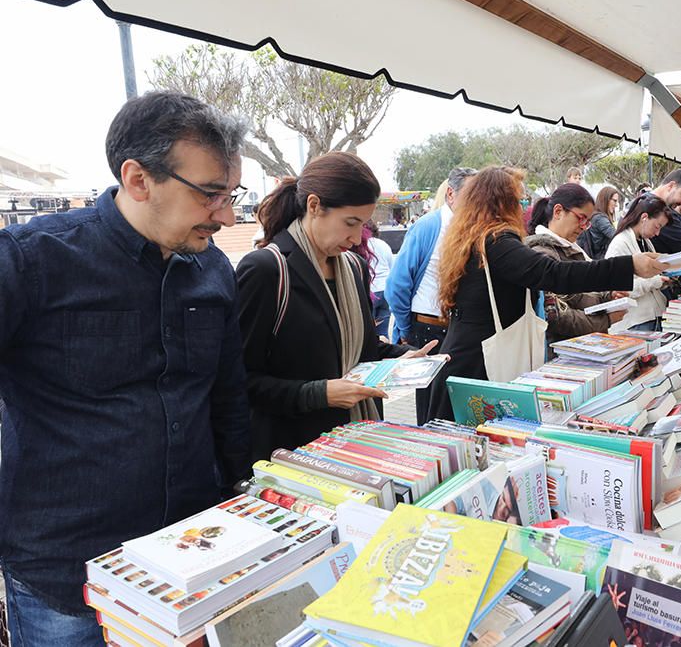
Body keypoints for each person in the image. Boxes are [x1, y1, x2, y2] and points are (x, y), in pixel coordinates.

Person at [0, 91, 252, 645]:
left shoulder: (213, 269)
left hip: (191, 551)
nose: (228, 216)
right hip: (66, 571)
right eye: (211, 194)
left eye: (232, 195)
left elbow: (227, 396)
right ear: (139, 179)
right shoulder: (31, 259)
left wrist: (243, 491)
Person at [236, 151, 433, 460]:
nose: (356, 239)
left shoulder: (353, 267)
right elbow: (241, 380)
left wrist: (405, 358)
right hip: (295, 450)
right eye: (350, 223)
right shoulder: (267, 270)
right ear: (314, 206)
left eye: (364, 226)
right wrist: (318, 393)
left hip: (358, 438)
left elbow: (359, 348)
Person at [424, 167, 663, 421]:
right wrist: (629, 265)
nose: (522, 207)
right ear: (503, 203)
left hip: (466, 358)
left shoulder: (473, 238)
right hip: (478, 367)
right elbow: (555, 274)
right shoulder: (497, 242)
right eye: (519, 200)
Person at [384, 167, 477, 423]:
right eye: (471, 195)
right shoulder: (428, 227)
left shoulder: (472, 231)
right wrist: (406, 329)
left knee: (457, 408)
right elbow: (397, 286)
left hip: (461, 332)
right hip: (428, 330)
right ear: (451, 194)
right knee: (430, 411)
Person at [525, 183, 626, 345]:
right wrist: (605, 320)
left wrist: (608, 296)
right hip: (561, 350)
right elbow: (556, 316)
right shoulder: (543, 253)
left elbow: (578, 295)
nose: (584, 227)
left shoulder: (570, 248)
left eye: (587, 222)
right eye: (581, 218)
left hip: (579, 345)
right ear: (558, 212)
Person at [606, 195, 674, 331]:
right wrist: (657, 281)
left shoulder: (645, 242)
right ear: (644, 218)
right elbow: (620, 289)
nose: (658, 233)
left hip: (651, 316)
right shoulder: (620, 243)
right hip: (635, 322)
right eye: (657, 226)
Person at [364, 220, 394, 338]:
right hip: (385, 290)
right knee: (383, 333)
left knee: (369, 334)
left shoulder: (361, 245)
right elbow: (391, 266)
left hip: (371, 290)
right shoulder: (383, 244)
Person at [576, 185, 620, 259]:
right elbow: (616, 236)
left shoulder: (597, 216)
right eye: (614, 201)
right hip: (600, 260)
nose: (616, 205)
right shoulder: (599, 218)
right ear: (606, 200)